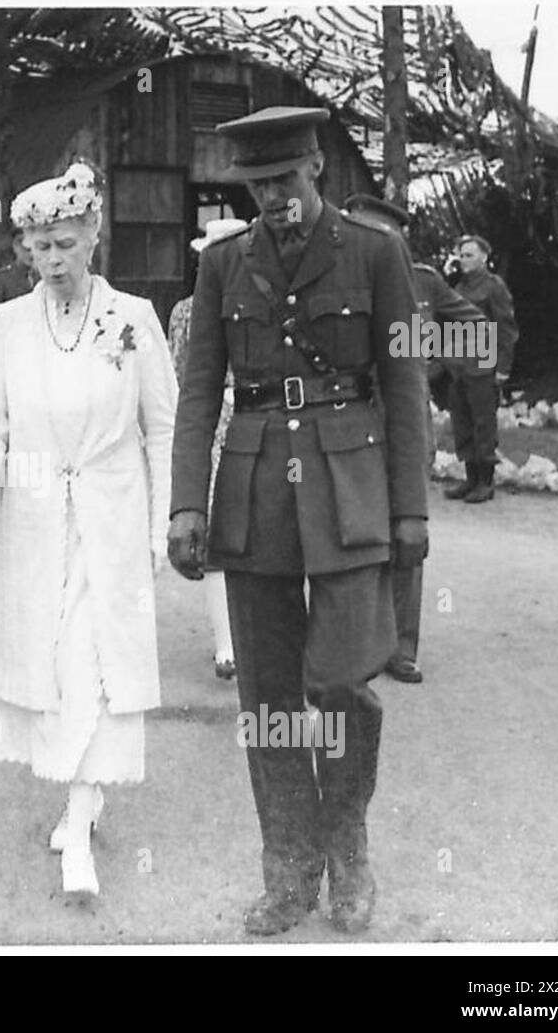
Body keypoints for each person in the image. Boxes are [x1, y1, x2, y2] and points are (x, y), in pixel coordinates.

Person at [168, 107, 428, 936]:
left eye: (285, 179)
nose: (274, 197)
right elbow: (198, 388)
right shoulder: (224, 264)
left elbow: (407, 384)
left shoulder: (376, 252)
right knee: (269, 694)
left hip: (350, 485)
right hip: (254, 491)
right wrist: (184, 503)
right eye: (258, 184)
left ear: (316, 167)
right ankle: (288, 866)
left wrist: (411, 506)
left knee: (343, 681)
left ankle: (347, 844)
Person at [0, 162, 178, 898]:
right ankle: (80, 800)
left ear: (93, 235)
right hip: (34, 518)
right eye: (38, 246)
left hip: (109, 517)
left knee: (96, 661)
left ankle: (79, 828)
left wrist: (162, 525)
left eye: (64, 242)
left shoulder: (134, 319)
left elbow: (164, 427)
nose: (52, 260)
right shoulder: (11, 322)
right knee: (53, 664)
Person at [344, 194, 486, 683]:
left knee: (405, 529)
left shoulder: (423, 281)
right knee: (347, 532)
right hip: (344, 424)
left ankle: (401, 646)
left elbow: (477, 330)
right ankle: (355, 642)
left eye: (383, 235)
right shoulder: (330, 278)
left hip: (404, 425)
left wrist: (431, 366)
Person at [167, 219, 249, 682]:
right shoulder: (186, 311)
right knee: (218, 527)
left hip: (258, 417)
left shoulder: (269, 300)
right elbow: (185, 375)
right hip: (215, 420)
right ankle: (226, 645)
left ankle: (249, 638)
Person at [441, 234, 519, 504]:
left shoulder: (494, 286)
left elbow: (506, 328)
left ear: (484, 258)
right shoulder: (458, 286)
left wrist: (503, 368)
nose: (464, 260)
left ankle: (486, 482)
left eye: (470, 255)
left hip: (483, 364)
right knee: (462, 422)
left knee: (483, 423)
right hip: (459, 365)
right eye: (461, 255)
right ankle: (471, 478)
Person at [0, 225, 37, 347]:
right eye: (25, 248)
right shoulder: (0, 279)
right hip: (11, 347)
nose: (31, 253)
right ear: (15, 247)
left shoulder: (43, 279)